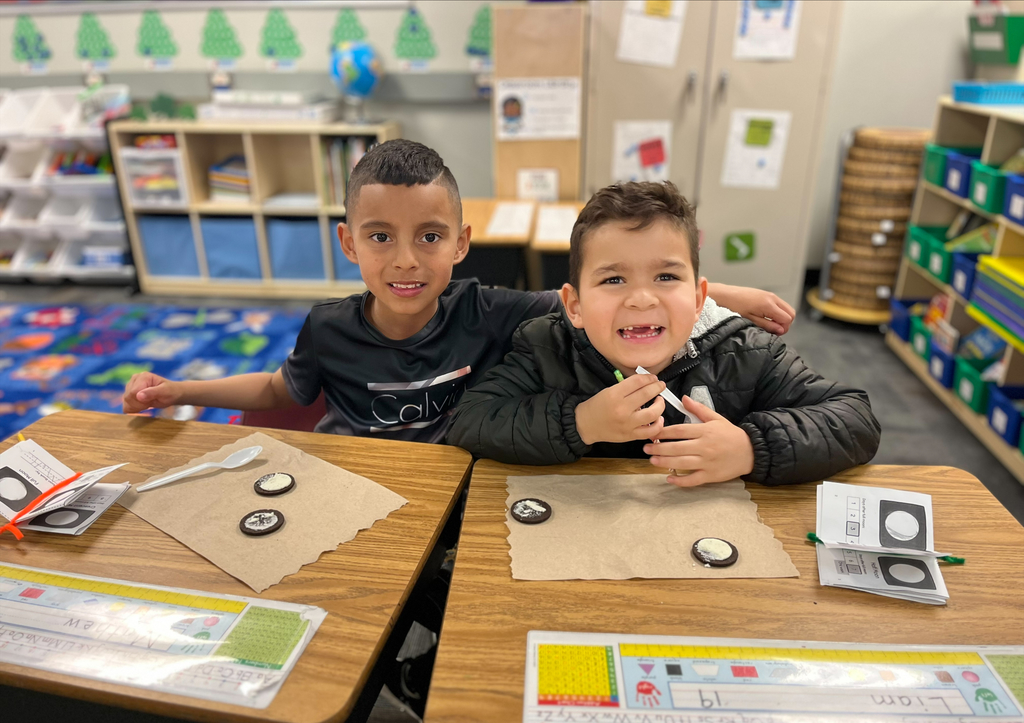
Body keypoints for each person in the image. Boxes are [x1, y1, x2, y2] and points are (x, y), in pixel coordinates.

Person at [121, 140, 794, 444]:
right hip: (350, 476)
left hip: (457, 484)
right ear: (349, 243)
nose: (407, 260)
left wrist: (728, 295)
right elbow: (278, 392)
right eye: (380, 237)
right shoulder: (327, 328)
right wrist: (181, 393)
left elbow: (603, 298)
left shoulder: (485, 307)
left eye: (430, 237)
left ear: (461, 242)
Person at [447, 180, 880, 486]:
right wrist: (580, 422)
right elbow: (470, 423)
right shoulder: (547, 346)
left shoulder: (742, 350)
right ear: (575, 306)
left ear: (697, 298)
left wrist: (750, 447)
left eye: (666, 277)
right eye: (613, 280)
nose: (641, 300)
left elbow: (855, 419)